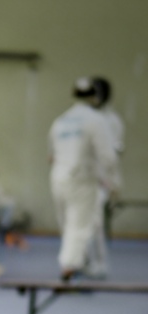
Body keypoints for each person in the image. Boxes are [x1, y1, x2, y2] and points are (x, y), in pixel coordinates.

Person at [48, 77, 120, 281]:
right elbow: (108, 156)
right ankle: (70, 267)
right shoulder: (96, 120)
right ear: (95, 97)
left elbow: (51, 156)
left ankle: (78, 263)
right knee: (80, 226)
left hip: (58, 179)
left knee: (68, 226)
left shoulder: (60, 121)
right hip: (83, 179)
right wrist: (114, 183)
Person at [88, 77, 125, 278]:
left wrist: (111, 182)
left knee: (96, 224)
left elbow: (114, 153)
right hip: (83, 179)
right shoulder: (86, 116)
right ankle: (86, 262)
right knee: (85, 223)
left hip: (101, 179)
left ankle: (99, 264)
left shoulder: (111, 120)